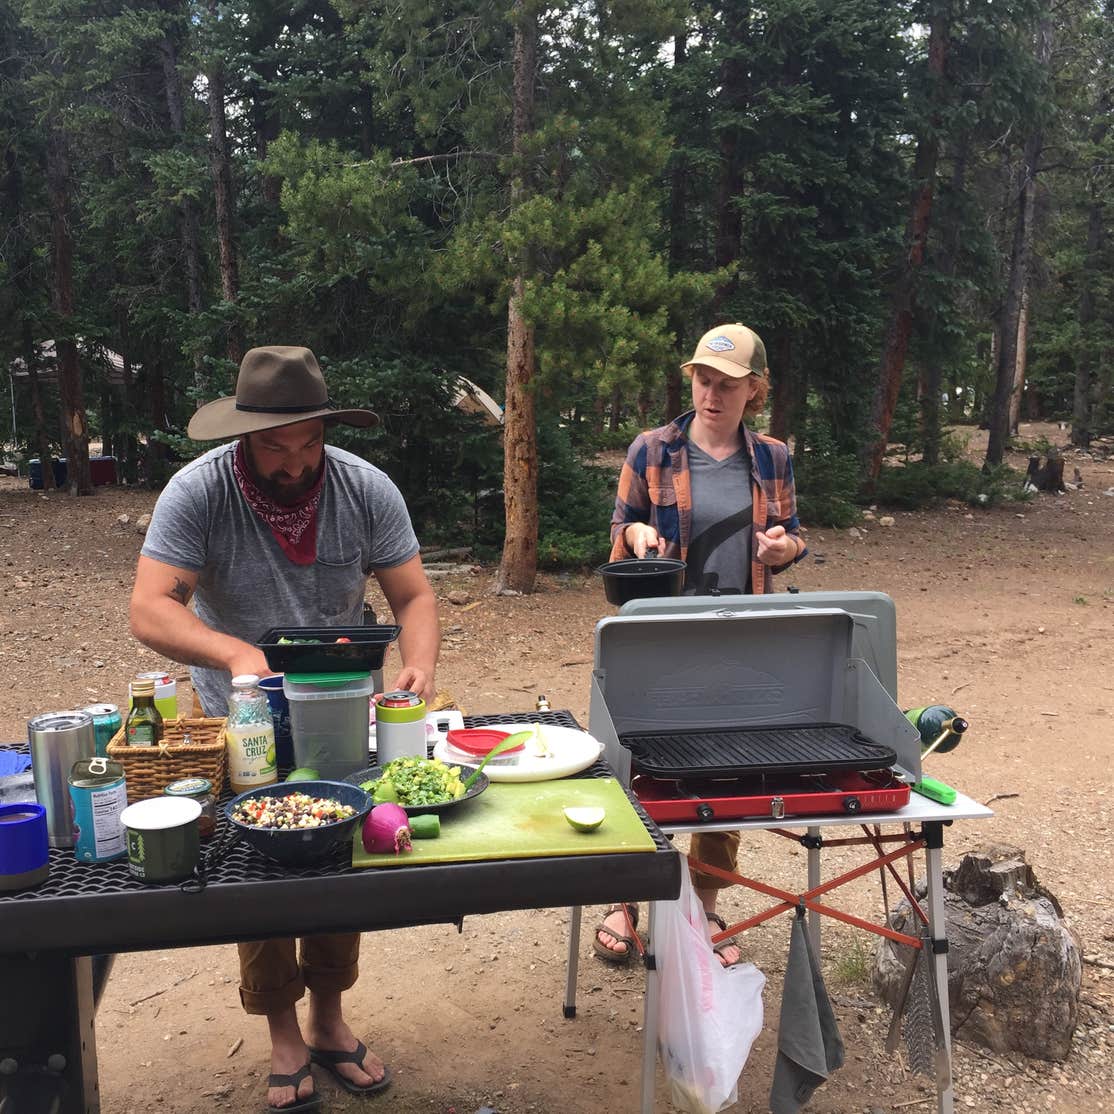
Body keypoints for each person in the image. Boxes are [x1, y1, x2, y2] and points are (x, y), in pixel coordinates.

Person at [130, 345, 440, 1112]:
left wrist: (419, 665)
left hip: (341, 707)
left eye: (311, 442)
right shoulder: (199, 492)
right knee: (259, 866)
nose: (297, 461)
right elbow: (150, 607)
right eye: (275, 446)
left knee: (338, 855)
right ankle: (282, 1033)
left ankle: (328, 1019)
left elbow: (413, 596)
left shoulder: (365, 488)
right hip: (244, 715)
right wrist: (237, 653)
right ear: (244, 436)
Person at [594, 322, 806, 968]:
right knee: (638, 766)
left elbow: (793, 535)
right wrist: (634, 538)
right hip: (657, 637)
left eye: (727, 385)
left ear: (754, 391)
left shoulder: (773, 458)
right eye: (703, 380)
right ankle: (627, 897)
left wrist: (783, 549)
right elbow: (620, 527)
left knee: (728, 773)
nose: (711, 395)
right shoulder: (652, 450)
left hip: (740, 638)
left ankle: (704, 904)